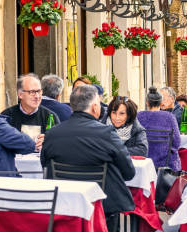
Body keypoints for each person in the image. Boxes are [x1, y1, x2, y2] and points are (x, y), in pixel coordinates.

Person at [41, 85, 135, 232]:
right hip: (102, 208)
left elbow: (44, 167)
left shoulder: (52, 133)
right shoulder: (107, 133)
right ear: (94, 107)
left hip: (64, 205)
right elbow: (129, 172)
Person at [1, 74, 60, 140]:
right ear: (20, 94)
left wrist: (47, 142)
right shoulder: (7, 116)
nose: (37, 96)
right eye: (32, 92)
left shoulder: (50, 116)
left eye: (39, 91)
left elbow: (58, 144)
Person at [137, 87, 181, 172]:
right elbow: (177, 143)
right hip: (165, 165)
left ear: (147, 103)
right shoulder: (169, 117)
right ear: (160, 102)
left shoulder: (139, 116)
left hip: (144, 163)